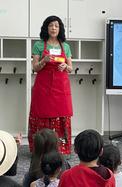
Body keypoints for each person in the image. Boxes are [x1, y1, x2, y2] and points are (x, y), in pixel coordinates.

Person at [29, 15, 73, 155]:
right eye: (51, 25)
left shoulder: (65, 46)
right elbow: (35, 68)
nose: (53, 28)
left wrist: (66, 65)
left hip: (61, 88)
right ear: (46, 28)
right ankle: (40, 148)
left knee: (62, 115)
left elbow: (71, 68)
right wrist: (44, 61)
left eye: (56, 26)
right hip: (43, 87)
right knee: (41, 114)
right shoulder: (38, 45)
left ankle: (62, 149)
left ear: (60, 29)